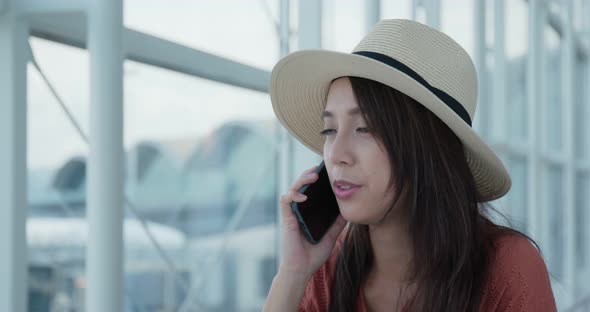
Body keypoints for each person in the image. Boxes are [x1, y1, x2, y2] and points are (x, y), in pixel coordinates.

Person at [263, 19, 556, 311]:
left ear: (427, 147)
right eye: (329, 130)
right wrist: (292, 274)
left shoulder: (506, 268)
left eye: (364, 128)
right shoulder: (324, 270)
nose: (336, 154)